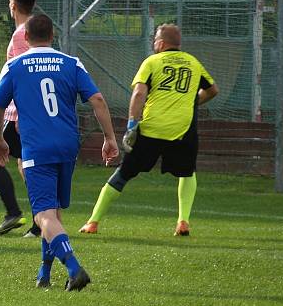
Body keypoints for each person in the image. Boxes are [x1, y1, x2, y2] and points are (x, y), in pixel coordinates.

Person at [0, 14, 118, 291]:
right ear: (53, 35)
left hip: (37, 147)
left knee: (42, 216)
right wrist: (109, 138)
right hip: (68, 145)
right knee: (54, 214)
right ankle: (44, 274)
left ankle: (74, 268)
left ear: (25, 37)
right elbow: (96, 99)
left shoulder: (13, 65)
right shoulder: (71, 63)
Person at [79, 23, 218, 237]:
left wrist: (131, 125)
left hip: (152, 129)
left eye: (155, 40)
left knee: (123, 173)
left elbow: (138, 95)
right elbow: (212, 90)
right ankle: (183, 221)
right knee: (187, 172)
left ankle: (93, 222)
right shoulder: (193, 63)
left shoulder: (152, 62)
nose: (154, 44)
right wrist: (191, 103)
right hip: (183, 130)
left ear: (161, 43)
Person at [0, 0, 39, 237]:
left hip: (16, 113)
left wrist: (21, 114)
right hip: (22, 112)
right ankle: (37, 221)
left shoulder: (21, 35)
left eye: (9, 1)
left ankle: (17, 214)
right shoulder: (31, 31)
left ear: (14, 5)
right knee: (24, 165)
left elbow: (26, 76)